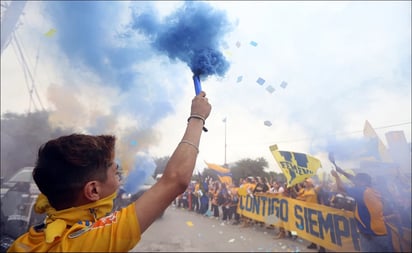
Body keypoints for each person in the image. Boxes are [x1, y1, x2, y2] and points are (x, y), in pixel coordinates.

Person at [7, 91, 212, 252]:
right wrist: (197, 116)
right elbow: (175, 180)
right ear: (93, 190)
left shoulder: (27, 240)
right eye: (116, 173)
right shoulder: (87, 243)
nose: (120, 180)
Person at [331, 165, 394, 252]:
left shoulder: (362, 191)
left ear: (362, 182)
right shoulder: (371, 190)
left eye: (356, 181)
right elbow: (354, 179)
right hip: (382, 232)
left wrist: (336, 176)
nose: (354, 183)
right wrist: (342, 172)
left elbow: (341, 188)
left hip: (371, 234)